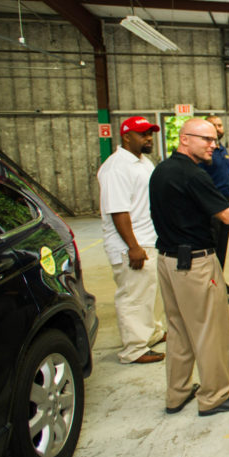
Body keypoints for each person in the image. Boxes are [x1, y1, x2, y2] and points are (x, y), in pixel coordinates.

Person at [149, 118, 229, 416]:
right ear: (185, 139)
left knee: (179, 328)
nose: (213, 145)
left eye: (214, 140)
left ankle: (178, 392)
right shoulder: (193, 175)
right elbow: (228, 216)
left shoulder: (162, 170)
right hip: (194, 263)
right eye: (206, 139)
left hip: (168, 260)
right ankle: (216, 396)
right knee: (210, 331)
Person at [97, 116, 166, 364]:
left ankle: (153, 333)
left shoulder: (143, 162)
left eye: (150, 133)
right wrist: (133, 247)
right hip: (132, 244)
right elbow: (118, 210)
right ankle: (134, 349)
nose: (148, 138)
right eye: (142, 134)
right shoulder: (116, 167)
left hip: (149, 239)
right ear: (126, 136)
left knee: (149, 292)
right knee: (133, 297)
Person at [199, 114, 229, 303]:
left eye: (220, 125)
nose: (218, 128)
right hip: (213, 207)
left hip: (225, 202)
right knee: (213, 250)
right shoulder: (204, 153)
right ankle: (213, 291)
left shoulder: (221, 149)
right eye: (213, 125)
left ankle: (220, 284)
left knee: (221, 249)